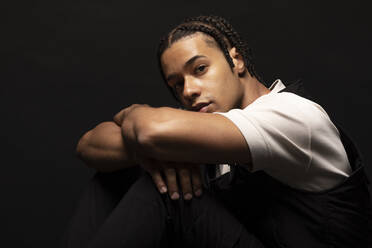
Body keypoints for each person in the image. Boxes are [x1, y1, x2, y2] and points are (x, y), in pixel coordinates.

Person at [61, 15, 372, 248]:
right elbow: (89, 144)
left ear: (235, 59)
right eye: (177, 85)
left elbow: (149, 131)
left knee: (166, 190)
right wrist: (151, 152)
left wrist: (135, 113)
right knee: (121, 172)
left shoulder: (290, 116)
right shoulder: (212, 123)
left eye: (199, 69)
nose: (189, 91)